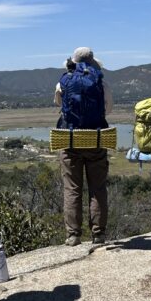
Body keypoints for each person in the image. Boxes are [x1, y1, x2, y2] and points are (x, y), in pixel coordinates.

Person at [55, 47, 112, 246]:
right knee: (97, 188)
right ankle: (98, 234)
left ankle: (73, 235)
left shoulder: (64, 81)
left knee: (72, 188)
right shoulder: (100, 81)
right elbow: (108, 109)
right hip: (96, 139)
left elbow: (59, 104)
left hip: (70, 140)